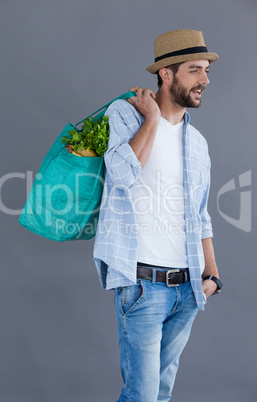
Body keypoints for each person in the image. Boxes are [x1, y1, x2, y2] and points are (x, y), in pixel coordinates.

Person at [93, 29, 223, 402]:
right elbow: (120, 174)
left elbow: (200, 214)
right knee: (143, 396)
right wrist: (150, 119)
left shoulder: (198, 144)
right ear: (166, 74)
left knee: (161, 394)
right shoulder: (124, 114)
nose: (205, 80)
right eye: (195, 70)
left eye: (206, 71)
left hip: (188, 288)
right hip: (141, 286)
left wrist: (211, 275)